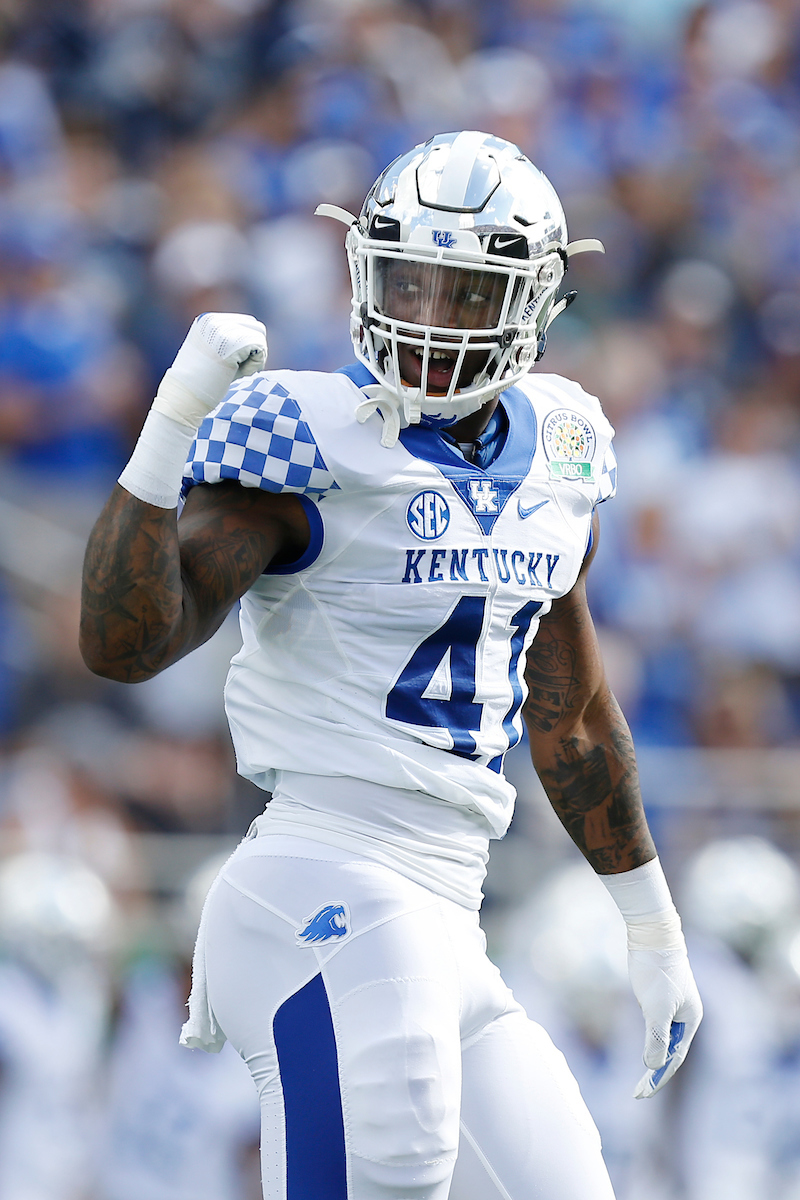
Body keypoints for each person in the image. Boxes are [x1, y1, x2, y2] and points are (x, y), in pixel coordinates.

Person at [80, 131, 702, 1200]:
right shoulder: (304, 436)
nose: (428, 314)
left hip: (444, 913)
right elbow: (125, 645)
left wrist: (648, 921)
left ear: (536, 304)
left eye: (465, 290)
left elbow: (574, 715)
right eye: (408, 277)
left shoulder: (561, 446)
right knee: (395, 1154)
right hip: (320, 873)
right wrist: (169, 430)